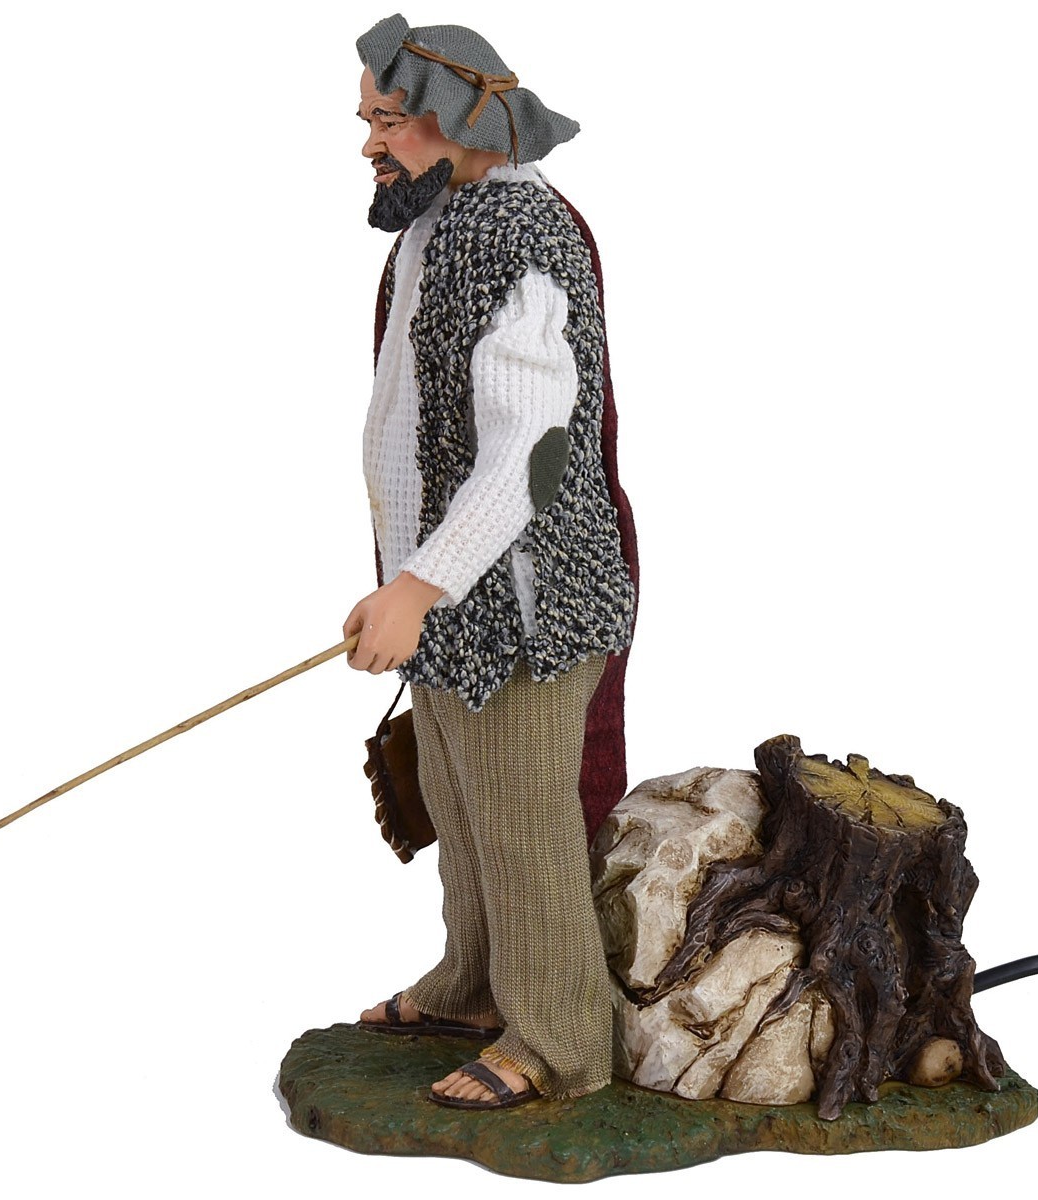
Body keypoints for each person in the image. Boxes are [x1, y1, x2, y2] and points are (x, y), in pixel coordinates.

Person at [344, 13, 638, 1109]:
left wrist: (420, 585)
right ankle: (473, 984)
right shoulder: (439, 221)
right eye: (366, 119)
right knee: (459, 806)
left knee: (521, 828)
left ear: (459, 120)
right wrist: (408, 585)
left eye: (389, 120)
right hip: (451, 593)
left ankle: (562, 1038)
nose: (370, 144)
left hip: (524, 602)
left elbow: (530, 450)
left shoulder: (518, 232)